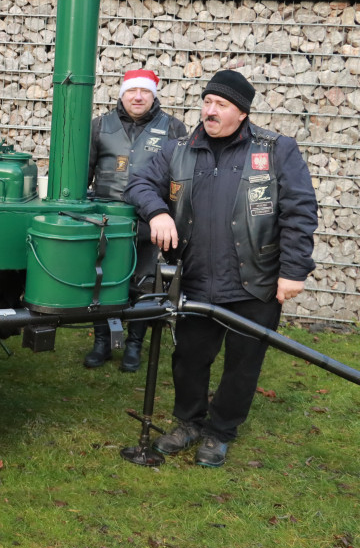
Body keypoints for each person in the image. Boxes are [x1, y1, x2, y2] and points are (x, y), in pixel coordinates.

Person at [124, 69, 318, 467]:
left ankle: (221, 430)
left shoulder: (277, 150)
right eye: (207, 102)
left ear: (242, 113)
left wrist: (294, 271)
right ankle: (189, 422)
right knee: (190, 358)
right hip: (196, 279)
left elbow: (300, 211)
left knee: (243, 363)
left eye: (221, 105)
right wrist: (158, 211)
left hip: (255, 280)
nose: (210, 112)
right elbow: (138, 183)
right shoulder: (178, 149)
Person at [83, 69, 188, 372]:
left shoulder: (172, 128)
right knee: (101, 282)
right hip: (106, 222)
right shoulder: (100, 126)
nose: (138, 97)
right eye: (132, 91)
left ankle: (133, 346)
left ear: (154, 95)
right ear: (122, 93)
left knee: (143, 282)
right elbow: (83, 174)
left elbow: (180, 180)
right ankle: (101, 342)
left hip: (147, 223)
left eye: (144, 91)